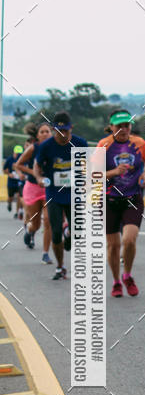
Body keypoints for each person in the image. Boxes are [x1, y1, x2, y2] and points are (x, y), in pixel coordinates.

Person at [96, 110, 145, 297]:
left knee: (129, 240)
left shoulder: (139, 143)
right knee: (113, 246)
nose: (123, 129)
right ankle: (116, 281)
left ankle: (127, 275)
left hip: (132, 198)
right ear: (111, 127)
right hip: (109, 200)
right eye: (118, 126)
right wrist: (113, 172)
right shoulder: (103, 145)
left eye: (126, 126)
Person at [33, 112, 87, 280]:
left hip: (74, 193)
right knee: (55, 233)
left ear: (71, 128)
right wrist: (39, 178)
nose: (62, 135)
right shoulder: (46, 146)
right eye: (58, 131)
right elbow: (37, 165)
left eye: (66, 131)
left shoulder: (80, 143)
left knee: (78, 232)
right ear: (53, 130)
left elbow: (90, 164)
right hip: (54, 194)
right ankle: (60, 266)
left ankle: (69, 232)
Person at [15, 122, 53, 260]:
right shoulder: (33, 148)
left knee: (48, 221)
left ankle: (45, 253)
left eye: (47, 131)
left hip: (49, 188)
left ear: (52, 133)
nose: (45, 134)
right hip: (33, 188)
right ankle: (30, 231)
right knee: (36, 224)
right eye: (42, 132)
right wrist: (35, 173)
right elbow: (18, 165)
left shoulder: (55, 147)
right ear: (37, 136)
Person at [3, 144, 25, 218]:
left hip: (19, 181)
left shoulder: (22, 159)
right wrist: (9, 174)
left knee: (19, 196)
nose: (18, 155)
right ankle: (9, 203)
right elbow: (4, 169)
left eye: (20, 154)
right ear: (14, 152)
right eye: (17, 153)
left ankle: (17, 212)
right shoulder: (9, 159)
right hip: (11, 181)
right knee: (10, 197)